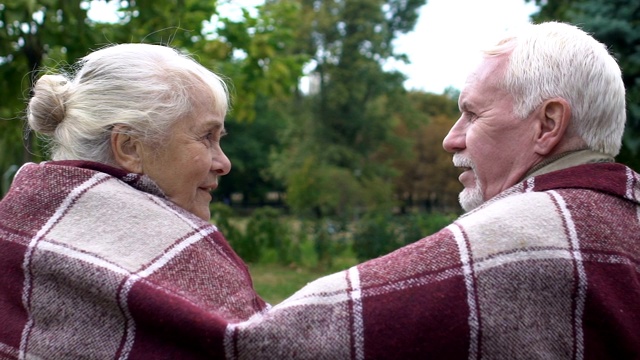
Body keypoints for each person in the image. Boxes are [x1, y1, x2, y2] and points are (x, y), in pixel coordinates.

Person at [1, 21, 639, 359]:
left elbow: (279, 343)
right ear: (130, 147)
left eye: (471, 114)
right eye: (208, 137)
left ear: (549, 125)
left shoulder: (532, 241)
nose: (450, 138)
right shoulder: (618, 223)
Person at [0, 43, 268, 358]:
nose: (224, 163)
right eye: (206, 137)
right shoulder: (183, 264)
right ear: (130, 147)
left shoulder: (12, 240)